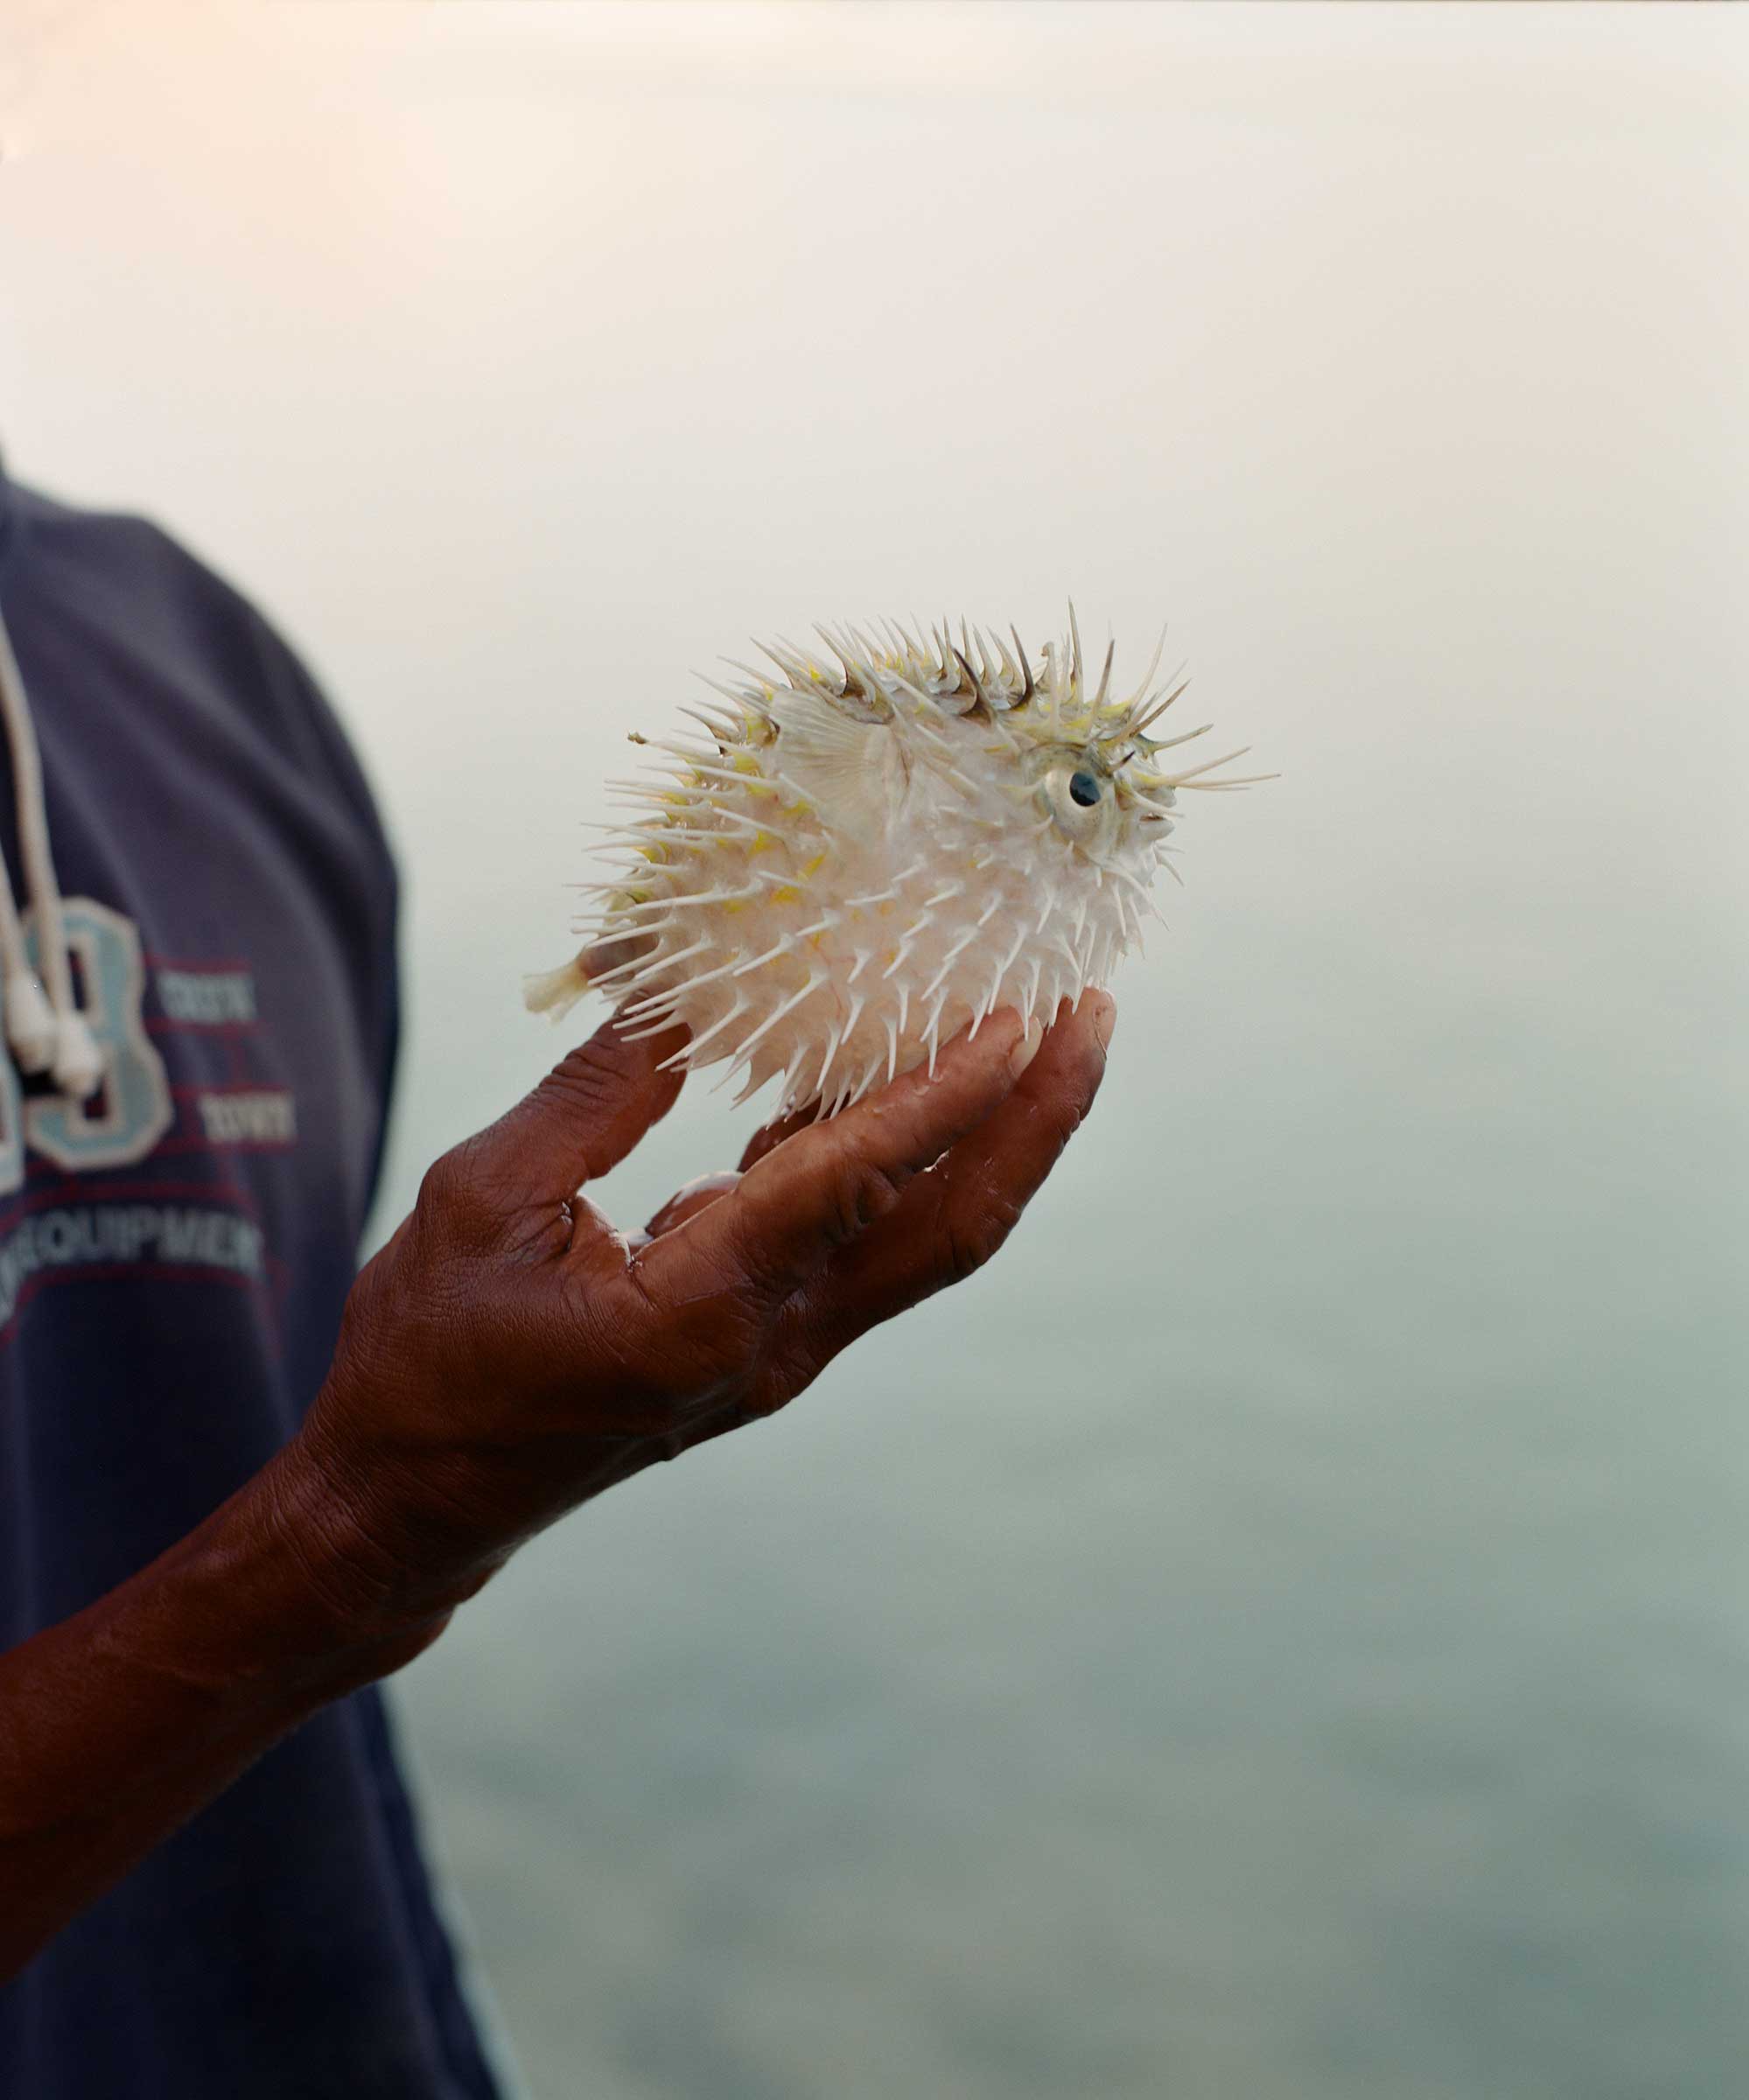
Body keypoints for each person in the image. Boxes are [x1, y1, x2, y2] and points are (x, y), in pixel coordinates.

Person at [0, 455, 1115, 2096]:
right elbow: (331, 1482)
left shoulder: (208, 678)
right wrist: (366, 1529)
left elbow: (269, 1373)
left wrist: (380, 1494)